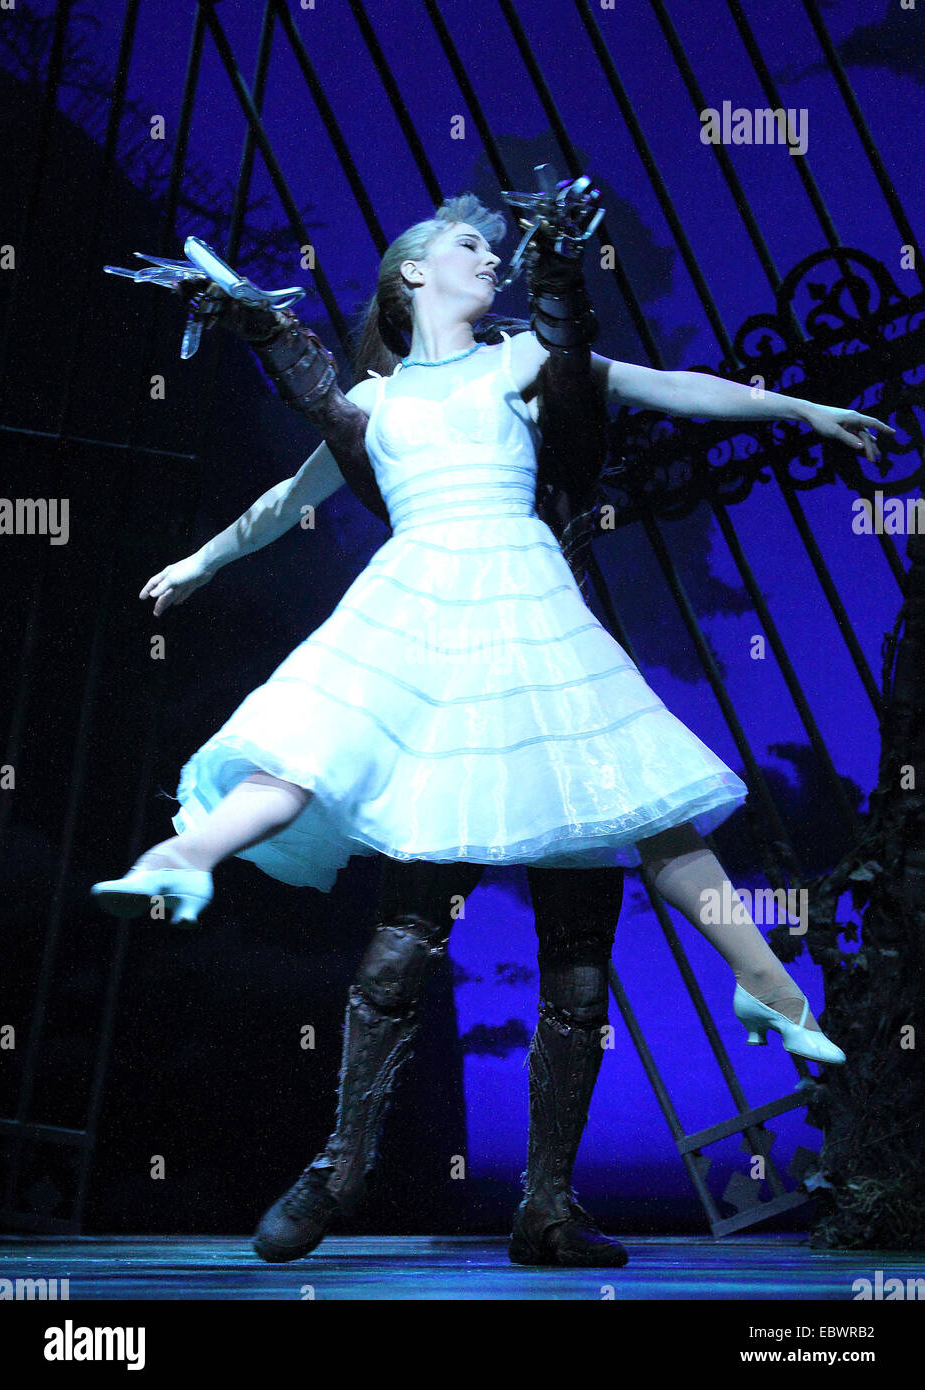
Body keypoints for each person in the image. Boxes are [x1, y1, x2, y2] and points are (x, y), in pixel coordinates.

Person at [93, 191, 892, 1253]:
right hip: (429, 655)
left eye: (495, 242)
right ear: (411, 271)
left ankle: (551, 1203)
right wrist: (199, 562)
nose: (492, 254)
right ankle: (339, 1169)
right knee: (401, 935)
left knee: (579, 950)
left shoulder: (521, 360)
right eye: (469, 240)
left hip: (540, 644)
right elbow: (290, 498)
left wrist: (798, 411)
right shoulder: (374, 403)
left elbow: (669, 387)